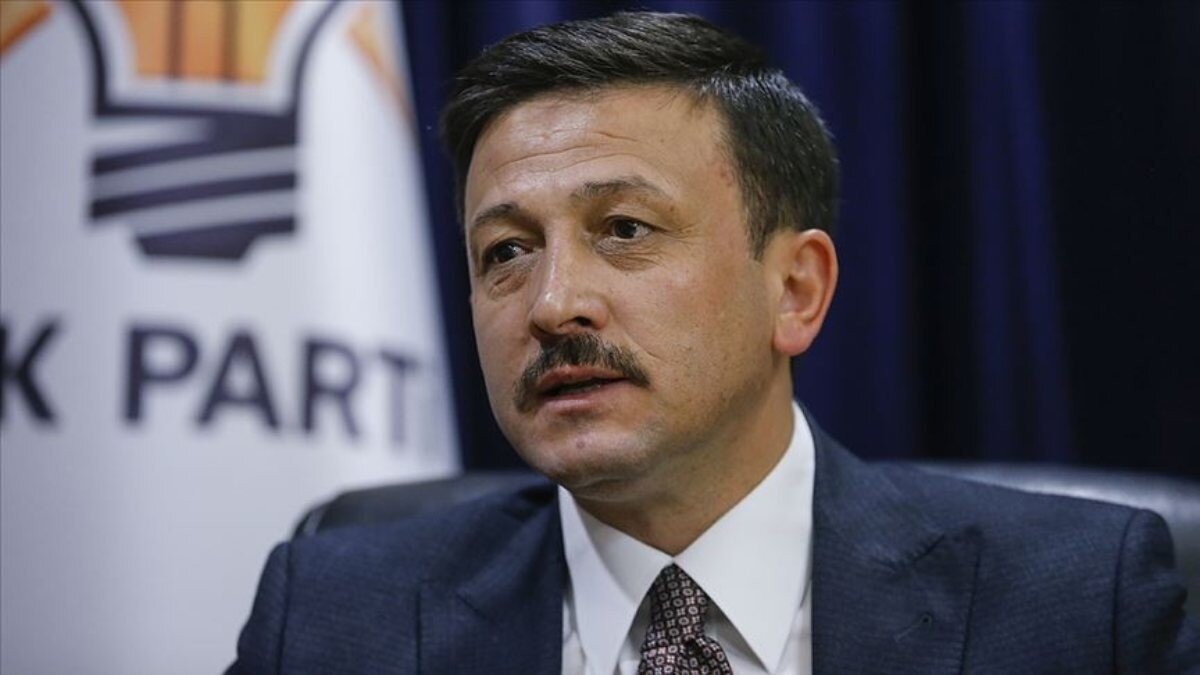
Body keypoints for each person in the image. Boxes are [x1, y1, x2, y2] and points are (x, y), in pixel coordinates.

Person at [229, 12, 1198, 674]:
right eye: (507, 251)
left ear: (796, 290)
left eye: (625, 230)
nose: (554, 304)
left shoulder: (1079, 607)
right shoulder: (331, 621)